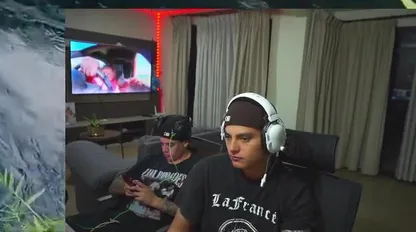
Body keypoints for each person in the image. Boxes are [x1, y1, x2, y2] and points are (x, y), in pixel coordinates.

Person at [168, 93, 318, 232]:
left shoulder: (294, 191)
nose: (232, 148)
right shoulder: (206, 171)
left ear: (271, 140)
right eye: (228, 137)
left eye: (245, 138)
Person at [69, 115, 199, 232]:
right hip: (113, 215)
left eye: (171, 145)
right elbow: (114, 185)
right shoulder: (152, 159)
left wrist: (155, 201)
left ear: (185, 142)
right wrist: (125, 187)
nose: (165, 150)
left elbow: (194, 215)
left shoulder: (197, 169)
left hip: (143, 225)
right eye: (162, 144)